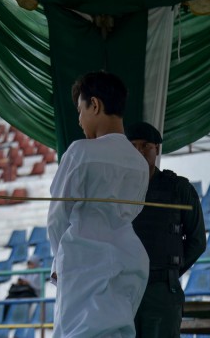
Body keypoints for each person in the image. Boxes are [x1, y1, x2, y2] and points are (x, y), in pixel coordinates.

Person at [47, 71, 150, 338]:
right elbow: (133, 211)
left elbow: (57, 216)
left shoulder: (81, 152)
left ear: (95, 104)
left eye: (80, 110)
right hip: (130, 260)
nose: (79, 120)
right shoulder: (140, 163)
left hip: (84, 261)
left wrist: (58, 261)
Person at [126, 121, 206, 338]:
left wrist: (170, 273)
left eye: (145, 146)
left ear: (157, 149)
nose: (139, 152)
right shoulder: (115, 190)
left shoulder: (178, 189)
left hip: (161, 291)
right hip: (124, 291)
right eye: (133, 146)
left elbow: (197, 241)